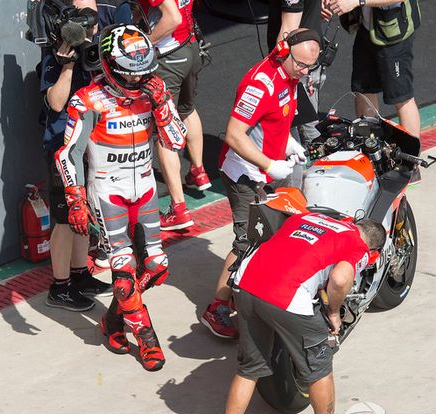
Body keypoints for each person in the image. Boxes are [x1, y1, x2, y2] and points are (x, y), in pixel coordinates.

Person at [54, 24, 187, 371]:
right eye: (129, 75)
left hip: (145, 190)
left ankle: (114, 320)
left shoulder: (152, 92)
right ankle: (146, 338)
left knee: (156, 268)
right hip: (106, 194)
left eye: (142, 75)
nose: (136, 82)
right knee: (124, 270)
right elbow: (67, 155)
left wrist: (161, 103)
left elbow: (175, 143)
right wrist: (76, 200)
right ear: (110, 66)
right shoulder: (86, 100)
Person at [208, 214, 386, 414]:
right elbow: (340, 279)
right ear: (373, 247)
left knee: (249, 368)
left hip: (245, 283)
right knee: (319, 368)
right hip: (286, 295)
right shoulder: (358, 245)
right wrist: (333, 312)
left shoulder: (308, 217)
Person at [200, 29, 321, 339]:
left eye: (311, 66)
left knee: (272, 235)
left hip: (265, 172)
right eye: (301, 65)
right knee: (247, 241)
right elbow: (234, 135)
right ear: (284, 52)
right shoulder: (260, 85)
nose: (305, 72)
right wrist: (268, 164)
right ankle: (217, 308)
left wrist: (290, 143)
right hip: (244, 174)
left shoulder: (291, 77)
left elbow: (274, 122)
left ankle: (253, 292)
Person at [39, 0, 112, 312]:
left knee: (83, 214)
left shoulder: (92, 55)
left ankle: (80, 274)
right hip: (62, 147)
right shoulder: (54, 59)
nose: (90, 31)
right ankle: (60, 286)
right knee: (65, 220)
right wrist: (67, 66)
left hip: (89, 142)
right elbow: (55, 103)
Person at [138, 0, 211, 231]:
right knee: (187, 109)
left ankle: (178, 209)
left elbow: (172, 17)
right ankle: (198, 171)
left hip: (169, 54)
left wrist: (144, 44)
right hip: (190, 47)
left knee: (164, 128)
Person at [322, 0, 421, 136]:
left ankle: (412, 154)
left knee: (401, 97)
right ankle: (368, 144)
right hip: (367, 29)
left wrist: (358, 1)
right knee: (363, 91)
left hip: (394, 34)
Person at [267, 0, 324, 144]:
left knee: (299, 126)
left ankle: (312, 164)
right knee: (307, 125)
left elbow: (288, 35)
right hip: (306, 62)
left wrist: (272, 68)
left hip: (295, 66)